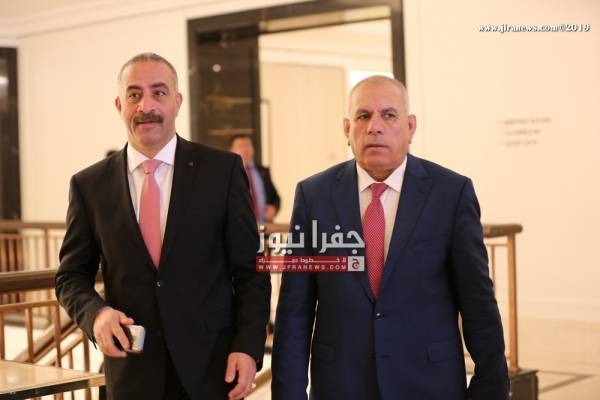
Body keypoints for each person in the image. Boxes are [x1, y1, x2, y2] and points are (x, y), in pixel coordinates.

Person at [271, 76, 509, 400]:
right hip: (341, 386)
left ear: (410, 127)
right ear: (347, 129)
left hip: (429, 385)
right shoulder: (314, 196)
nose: (375, 127)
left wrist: (490, 388)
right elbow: (294, 310)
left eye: (389, 115)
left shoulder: (451, 193)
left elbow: (477, 301)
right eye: (363, 116)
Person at [55, 53, 271, 400]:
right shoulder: (89, 185)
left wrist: (247, 346)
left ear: (177, 101)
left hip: (211, 368)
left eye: (158, 92)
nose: (146, 106)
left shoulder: (222, 171)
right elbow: (70, 276)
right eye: (134, 94)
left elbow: (250, 271)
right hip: (132, 371)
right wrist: (96, 315)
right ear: (119, 105)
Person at [229, 135, 280, 223]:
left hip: (264, 225)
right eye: (241, 146)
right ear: (231, 150)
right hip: (239, 225)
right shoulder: (228, 173)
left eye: (248, 145)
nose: (245, 149)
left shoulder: (263, 171)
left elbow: (275, 197)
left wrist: (274, 208)